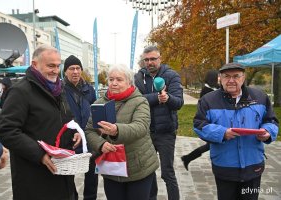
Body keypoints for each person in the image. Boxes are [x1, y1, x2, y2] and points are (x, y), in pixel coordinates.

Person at [0, 44, 82, 200]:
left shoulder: (59, 89)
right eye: (50, 66)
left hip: (62, 175)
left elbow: (65, 119)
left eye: (58, 66)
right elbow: (7, 131)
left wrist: (74, 132)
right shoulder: (20, 91)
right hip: (34, 179)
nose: (55, 70)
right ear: (34, 65)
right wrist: (40, 154)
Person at [193, 63, 279, 200]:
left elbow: (271, 121)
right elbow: (198, 125)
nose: (231, 80)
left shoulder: (260, 97)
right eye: (226, 76)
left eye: (236, 76)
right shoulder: (208, 100)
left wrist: (268, 131)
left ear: (243, 78)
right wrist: (222, 133)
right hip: (224, 166)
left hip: (253, 166)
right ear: (220, 78)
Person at [85, 65, 159, 200]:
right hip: (111, 169)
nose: (114, 83)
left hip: (138, 168)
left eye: (119, 79)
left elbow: (141, 127)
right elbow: (89, 130)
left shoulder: (140, 102)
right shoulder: (99, 103)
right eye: (111, 79)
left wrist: (116, 130)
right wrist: (100, 144)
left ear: (129, 82)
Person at [135, 46, 183, 200]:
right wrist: (157, 97)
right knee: (147, 172)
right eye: (146, 60)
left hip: (166, 133)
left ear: (160, 59)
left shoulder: (171, 76)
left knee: (167, 173)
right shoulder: (138, 77)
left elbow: (179, 102)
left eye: (153, 59)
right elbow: (137, 101)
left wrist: (168, 98)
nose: (149, 62)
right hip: (145, 132)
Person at [62, 55, 98, 200]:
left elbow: (95, 110)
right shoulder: (60, 90)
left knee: (92, 175)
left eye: (78, 68)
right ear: (65, 72)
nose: (75, 71)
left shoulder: (89, 89)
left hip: (89, 138)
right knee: (68, 176)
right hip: (70, 139)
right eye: (71, 68)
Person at [181, 70, 219, 170]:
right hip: (208, 121)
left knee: (212, 145)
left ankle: (187, 158)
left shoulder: (214, 89)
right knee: (213, 144)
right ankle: (187, 158)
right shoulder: (206, 91)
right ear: (213, 79)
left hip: (213, 121)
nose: (220, 79)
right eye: (218, 77)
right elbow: (204, 108)